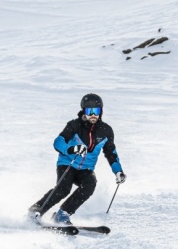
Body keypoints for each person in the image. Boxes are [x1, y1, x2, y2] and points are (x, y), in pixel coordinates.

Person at [28, 93, 126, 225]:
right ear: (83, 111)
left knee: (90, 184)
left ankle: (63, 214)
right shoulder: (74, 125)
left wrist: (118, 171)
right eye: (89, 111)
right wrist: (72, 149)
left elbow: (111, 153)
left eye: (96, 111)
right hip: (67, 163)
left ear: (100, 112)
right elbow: (58, 142)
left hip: (86, 168)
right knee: (63, 188)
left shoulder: (106, 131)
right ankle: (35, 211)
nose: (93, 115)